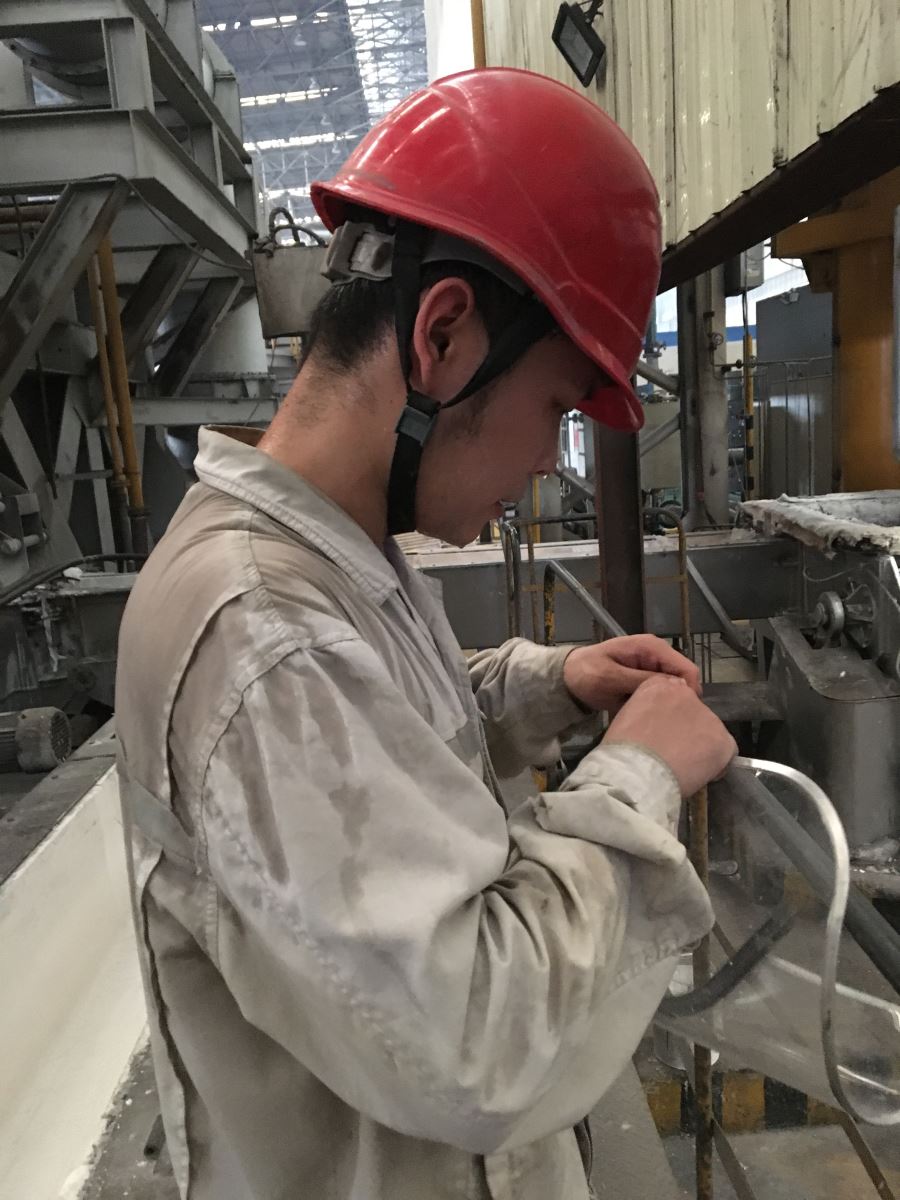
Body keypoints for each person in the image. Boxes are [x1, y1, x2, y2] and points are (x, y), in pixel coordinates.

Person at [115, 67, 736, 1200]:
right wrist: (639, 779)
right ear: (444, 334)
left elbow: (385, 723)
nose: (547, 459)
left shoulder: (328, 558)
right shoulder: (261, 634)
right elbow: (475, 1039)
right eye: (555, 407)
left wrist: (553, 681)